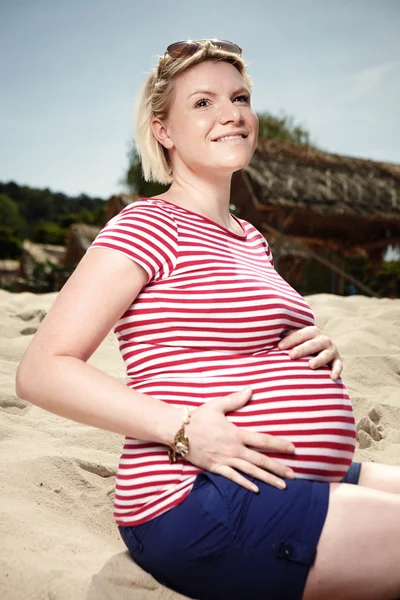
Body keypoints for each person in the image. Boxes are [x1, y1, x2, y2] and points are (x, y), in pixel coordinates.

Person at [15, 39, 400, 600]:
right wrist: (184, 430)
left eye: (239, 97)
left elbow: (229, 335)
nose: (231, 113)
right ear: (164, 131)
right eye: (203, 102)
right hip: (200, 495)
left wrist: (313, 347)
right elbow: (42, 370)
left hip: (288, 472)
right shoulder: (145, 226)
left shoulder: (252, 239)